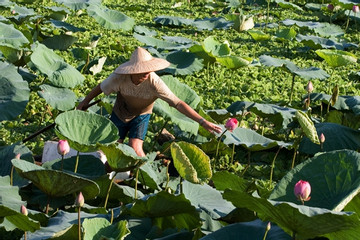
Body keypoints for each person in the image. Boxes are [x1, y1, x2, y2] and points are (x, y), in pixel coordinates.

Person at [77, 47, 222, 156]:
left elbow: (177, 103)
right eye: (143, 70)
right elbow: (100, 88)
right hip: (120, 113)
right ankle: (109, 175)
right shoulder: (119, 78)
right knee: (113, 149)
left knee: (135, 147)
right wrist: (85, 102)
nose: (147, 72)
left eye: (148, 69)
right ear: (133, 70)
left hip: (142, 115)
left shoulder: (154, 82)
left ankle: (140, 176)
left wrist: (202, 121)